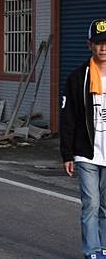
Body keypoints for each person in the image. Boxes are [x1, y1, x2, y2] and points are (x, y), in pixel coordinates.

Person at [61, 19, 106, 259]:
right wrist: (67, 154)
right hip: (86, 151)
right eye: (99, 43)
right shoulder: (79, 78)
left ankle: (105, 247)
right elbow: (68, 117)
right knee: (91, 204)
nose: (104, 48)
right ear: (90, 44)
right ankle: (92, 251)